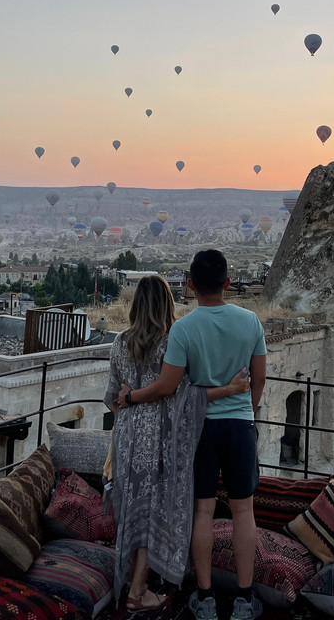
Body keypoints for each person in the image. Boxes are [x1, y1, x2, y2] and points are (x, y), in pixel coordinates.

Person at [118, 251, 266, 620]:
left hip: (198, 429)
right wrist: (250, 410)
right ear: (228, 283)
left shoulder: (183, 328)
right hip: (239, 425)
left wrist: (131, 397)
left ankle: (205, 597)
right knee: (242, 511)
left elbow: (169, 386)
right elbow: (259, 378)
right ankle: (245, 599)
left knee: (202, 510)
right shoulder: (250, 321)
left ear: (191, 285)